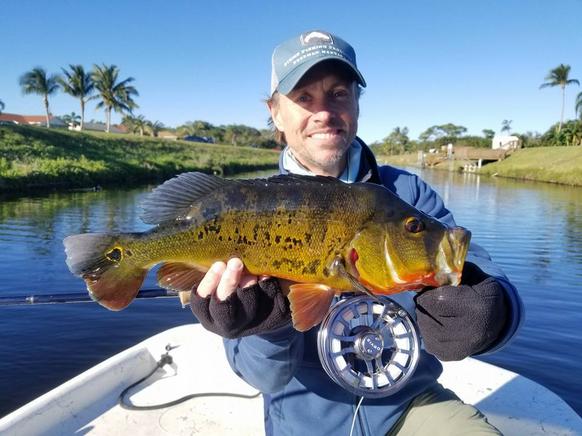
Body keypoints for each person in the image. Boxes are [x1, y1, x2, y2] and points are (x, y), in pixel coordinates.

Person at [190, 30, 524, 435]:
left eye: (338, 94)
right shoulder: (243, 207)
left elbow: (478, 266)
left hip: (408, 402)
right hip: (302, 421)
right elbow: (264, 378)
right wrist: (261, 324)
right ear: (276, 112)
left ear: (356, 104)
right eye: (304, 98)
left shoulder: (407, 195)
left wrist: (492, 310)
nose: (324, 112)